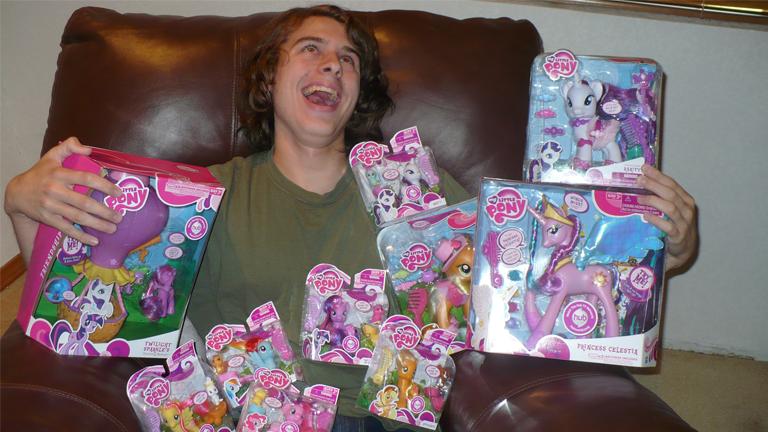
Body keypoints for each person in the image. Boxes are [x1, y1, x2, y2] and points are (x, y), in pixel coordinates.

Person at [4, 5, 698, 432]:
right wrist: (23, 204)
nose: (332, 67)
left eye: (349, 61)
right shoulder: (200, 195)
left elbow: (531, 288)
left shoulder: (418, 186)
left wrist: (656, 249)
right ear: (269, 76)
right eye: (310, 49)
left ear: (358, 92)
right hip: (245, 421)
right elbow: (82, 304)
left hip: (385, 420)